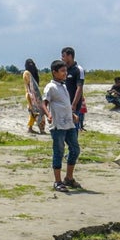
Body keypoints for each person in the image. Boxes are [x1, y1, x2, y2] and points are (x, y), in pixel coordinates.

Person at [43, 59, 81, 191]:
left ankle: (69, 178)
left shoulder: (63, 86)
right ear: (54, 72)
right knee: (59, 151)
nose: (65, 73)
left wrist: (73, 114)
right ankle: (57, 181)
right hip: (58, 125)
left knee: (75, 149)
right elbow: (44, 103)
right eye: (62, 71)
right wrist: (48, 114)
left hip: (69, 123)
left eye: (66, 70)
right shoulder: (50, 87)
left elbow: (65, 104)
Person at [61, 47, 87, 130]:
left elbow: (79, 88)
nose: (62, 58)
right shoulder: (63, 70)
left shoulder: (78, 70)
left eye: (63, 56)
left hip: (73, 105)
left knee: (73, 129)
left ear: (70, 56)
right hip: (63, 104)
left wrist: (74, 104)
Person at [22, 59, 46, 135]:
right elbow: (29, 86)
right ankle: (35, 128)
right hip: (30, 95)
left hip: (36, 96)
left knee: (37, 112)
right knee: (33, 112)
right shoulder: (26, 73)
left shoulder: (33, 73)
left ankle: (34, 128)